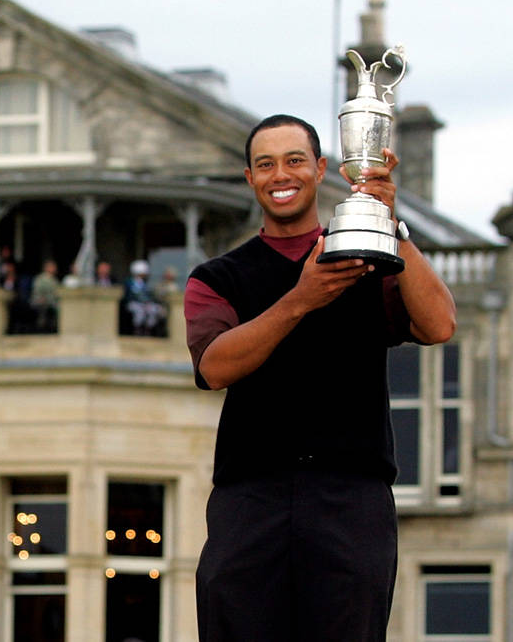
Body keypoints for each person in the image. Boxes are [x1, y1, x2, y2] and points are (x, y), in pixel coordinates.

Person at [185, 115, 455, 641]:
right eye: (265, 164)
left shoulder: (365, 256)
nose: (279, 174)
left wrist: (388, 220)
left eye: (293, 161)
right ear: (249, 178)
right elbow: (214, 366)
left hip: (350, 496)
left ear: (321, 170)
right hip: (251, 498)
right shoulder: (217, 278)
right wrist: (301, 299)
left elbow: (440, 324)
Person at [30, 259, 60, 332]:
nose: (54, 269)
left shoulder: (54, 280)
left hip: (53, 302)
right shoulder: (40, 279)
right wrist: (42, 298)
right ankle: (41, 326)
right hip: (41, 302)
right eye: (52, 267)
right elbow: (37, 292)